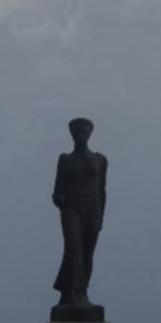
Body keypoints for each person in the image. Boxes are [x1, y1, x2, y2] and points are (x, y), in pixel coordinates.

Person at [52, 117, 107, 307]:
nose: (80, 135)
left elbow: (102, 190)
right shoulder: (65, 160)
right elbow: (56, 190)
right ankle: (67, 292)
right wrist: (60, 200)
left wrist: (101, 218)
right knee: (73, 248)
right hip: (72, 207)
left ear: (90, 134)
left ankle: (82, 293)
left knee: (87, 252)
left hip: (93, 206)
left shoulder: (100, 160)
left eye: (84, 131)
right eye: (77, 132)